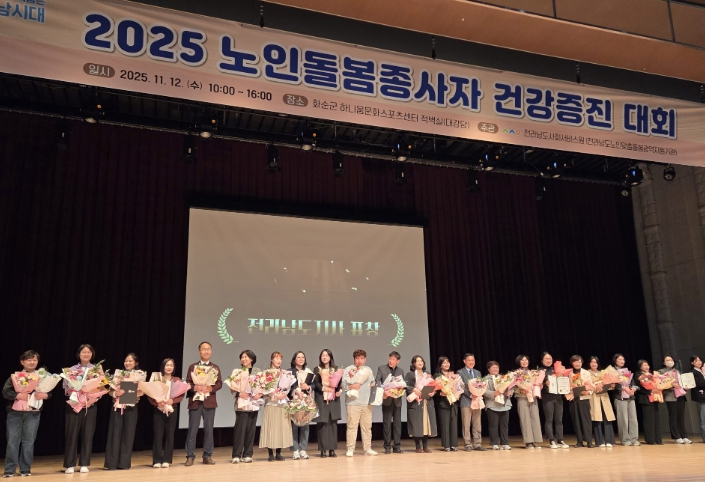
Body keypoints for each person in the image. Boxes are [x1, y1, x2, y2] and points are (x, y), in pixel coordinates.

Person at [3, 350, 50, 477]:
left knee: (29, 442)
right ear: (22, 362)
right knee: (12, 441)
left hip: (33, 413)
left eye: (34, 360)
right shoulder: (15, 376)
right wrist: (18, 395)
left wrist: (45, 395)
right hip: (15, 413)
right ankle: (9, 469)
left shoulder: (42, 377)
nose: (32, 362)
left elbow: (49, 392)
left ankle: (25, 469)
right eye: (29, 360)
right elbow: (5, 391)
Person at [63, 344, 102, 474]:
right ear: (79, 354)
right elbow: (66, 388)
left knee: (88, 435)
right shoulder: (71, 369)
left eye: (88, 352)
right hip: (74, 405)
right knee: (71, 435)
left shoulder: (96, 370)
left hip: (90, 405)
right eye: (84, 352)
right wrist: (72, 391)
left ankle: (84, 463)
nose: (86, 354)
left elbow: (102, 387)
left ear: (92, 354)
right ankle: (70, 464)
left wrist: (92, 399)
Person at [184, 341, 223, 466]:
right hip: (195, 402)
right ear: (199, 351)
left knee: (209, 430)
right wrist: (195, 388)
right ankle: (190, 456)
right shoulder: (192, 367)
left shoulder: (215, 367)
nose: (206, 351)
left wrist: (211, 388)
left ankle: (207, 456)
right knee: (192, 430)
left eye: (208, 349)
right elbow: (188, 382)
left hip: (209, 402)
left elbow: (219, 383)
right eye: (203, 349)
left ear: (211, 351)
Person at [104, 353, 143, 470]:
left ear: (136, 363)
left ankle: (124, 463)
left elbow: (143, 391)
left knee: (128, 434)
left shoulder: (140, 375)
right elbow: (110, 391)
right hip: (117, 406)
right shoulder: (118, 374)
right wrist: (116, 393)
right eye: (126, 361)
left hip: (131, 407)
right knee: (114, 433)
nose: (127, 363)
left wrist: (138, 392)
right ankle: (112, 463)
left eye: (130, 361)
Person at [148, 358, 187, 468]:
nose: (169, 367)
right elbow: (149, 393)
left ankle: (167, 460)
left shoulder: (176, 380)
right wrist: (157, 402)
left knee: (170, 434)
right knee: (158, 434)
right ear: (163, 366)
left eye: (171, 365)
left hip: (172, 409)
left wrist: (172, 401)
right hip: (159, 409)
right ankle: (156, 460)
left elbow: (181, 394)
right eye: (167, 365)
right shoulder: (157, 379)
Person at [259, 352, 294, 461]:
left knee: (280, 428)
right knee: (271, 427)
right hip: (271, 403)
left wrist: (283, 394)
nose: (278, 361)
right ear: (271, 360)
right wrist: (274, 395)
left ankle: (278, 453)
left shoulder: (285, 373)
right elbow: (264, 388)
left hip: (282, 403)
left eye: (280, 359)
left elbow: (288, 386)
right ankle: (270, 454)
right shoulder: (266, 373)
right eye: (276, 358)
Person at [342, 349, 377, 457]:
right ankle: (350, 449)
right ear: (354, 359)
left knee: (367, 427)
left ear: (365, 359)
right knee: (352, 426)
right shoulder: (349, 369)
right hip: (353, 402)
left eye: (362, 358)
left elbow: (372, 383)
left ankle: (368, 448)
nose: (359, 361)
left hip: (366, 403)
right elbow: (343, 385)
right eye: (357, 358)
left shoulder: (368, 370)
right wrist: (353, 386)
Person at [231, 350, 261, 464]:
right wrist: (239, 394)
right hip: (241, 403)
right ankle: (236, 455)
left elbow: (263, 385)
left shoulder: (258, 371)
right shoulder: (237, 372)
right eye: (242, 357)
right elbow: (232, 387)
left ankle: (248, 454)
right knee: (240, 430)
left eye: (246, 357)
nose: (244, 359)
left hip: (253, 404)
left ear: (252, 359)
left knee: (250, 430)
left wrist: (259, 394)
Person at [311, 349, 342, 458]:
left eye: (327, 355)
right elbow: (316, 384)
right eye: (323, 355)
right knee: (322, 424)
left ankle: (332, 450)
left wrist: (338, 390)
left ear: (330, 357)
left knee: (332, 424)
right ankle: (323, 450)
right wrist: (325, 388)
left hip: (333, 399)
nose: (324, 357)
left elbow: (339, 383)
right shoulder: (317, 369)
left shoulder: (336, 369)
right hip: (321, 398)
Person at [405, 355, 438, 453]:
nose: (420, 363)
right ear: (414, 363)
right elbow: (405, 385)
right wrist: (414, 389)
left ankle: (425, 446)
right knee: (416, 424)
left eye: (421, 361)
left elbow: (433, 386)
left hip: (426, 402)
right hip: (416, 402)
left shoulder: (427, 374)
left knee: (425, 424)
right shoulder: (410, 374)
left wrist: (433, 392)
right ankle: (418, 446)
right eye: (417, 361)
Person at [375, 351, 404, 454]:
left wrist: (401, 389)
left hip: (397, 400)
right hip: (387, 399)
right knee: (387, 424)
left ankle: (397, 446)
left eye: (393, 359)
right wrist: (384, 391)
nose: (391, 361)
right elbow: (377, 381)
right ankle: (387, 446)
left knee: (397, 424)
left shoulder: (400, 370)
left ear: (398, 361)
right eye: (390, 359)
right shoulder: (382, 368)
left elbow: (402, 384)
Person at [538, 352, 568, 449]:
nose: (548, 360)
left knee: (559, 419)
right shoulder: (540, 371)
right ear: (542, 360)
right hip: (547, 397)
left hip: (558, 396)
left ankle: (560, 440)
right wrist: (545, 383)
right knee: (549, 419)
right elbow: (537, 385)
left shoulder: (556, 369)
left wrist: (562, 376)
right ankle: (551, 440)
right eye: (546, 359)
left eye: (550, 358)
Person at [659, 355, 691, 444]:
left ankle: (684, 435)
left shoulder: (677, 371)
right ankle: (676, 436)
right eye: (667, 360)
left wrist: (685, 386)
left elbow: (682, 382)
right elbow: (661, 384)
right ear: (664, 362)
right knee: (673, 416)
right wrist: (672, 385)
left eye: (671, 360)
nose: (669, 361)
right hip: (671, 396)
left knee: (681, 417)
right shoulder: (661, 372)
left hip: (680, 395)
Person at [458, 353, 486, 451]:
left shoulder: (478, 372)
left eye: (472, 360)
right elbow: (461, 387)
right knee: (466, 424)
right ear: (464, 361)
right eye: (469, 360)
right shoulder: (460, 372)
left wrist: (478, 393)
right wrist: (471, 395)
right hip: (466, 401)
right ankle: (467, 444)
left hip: (477, 401)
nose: (471, 362)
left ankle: (477, 443)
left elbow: (481, 386)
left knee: (477, 423)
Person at [514, 355, 542, 449]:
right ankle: (528, 441)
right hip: (522, 397)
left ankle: (535, 440)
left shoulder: (533, 373)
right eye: (522, 360)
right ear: (519, 362)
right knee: (525, 419)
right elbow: (512, 387)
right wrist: (521, 390)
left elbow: (536, 384)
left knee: (535, 418)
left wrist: (539, 386)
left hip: (532, 397)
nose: (524, 361)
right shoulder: (516, 373)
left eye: (526, 360)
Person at [483, 361, 512, 450]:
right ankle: (494, 443)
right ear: (489, 369)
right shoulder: (485, 379)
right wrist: (494, 393)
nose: (495, 369)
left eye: (497, 367)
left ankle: (505, 443)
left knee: (504, 425)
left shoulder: (504, 378)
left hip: (505, 404)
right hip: (492, 405)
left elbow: (511, 387)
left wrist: (510, 392)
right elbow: (484, 391)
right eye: (493, 367)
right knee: (493, 425)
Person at [289, 351, 313, 460]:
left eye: (303, 357)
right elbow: (287, 387)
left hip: (306, 401)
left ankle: (303, 449)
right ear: (294, 359)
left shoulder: (309, 372)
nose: (301, 359)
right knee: (294, 426)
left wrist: (308, 387)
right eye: (298, 357)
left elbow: (314, 385)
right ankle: (295, 450)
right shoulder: (289, 372)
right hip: (294, 400)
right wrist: (296, 390)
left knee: (305, 426)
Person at [587, 356, 616, 448]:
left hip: (604, 397)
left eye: (595, 362)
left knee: (607, 418)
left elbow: (608, 386)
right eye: (592, 362)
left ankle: (609, 440)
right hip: (594, 397)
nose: (594, 364)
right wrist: (595, 387)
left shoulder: (602, 373)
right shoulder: (587, 373)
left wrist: (611, 385)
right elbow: (586, 385)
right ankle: (599, 441)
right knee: (597, 419)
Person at [612, 353, 639, 446]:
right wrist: (623, 388)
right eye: (619, 359)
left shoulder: (626, 371)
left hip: (630, 397)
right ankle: (625, 439)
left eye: (623, 359)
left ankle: (634, 439)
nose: (622, 361)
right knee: (623, 419)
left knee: (633, 419)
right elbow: (612, 385)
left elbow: (632, 381)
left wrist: (634, 388)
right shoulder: (612, 371)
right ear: (615, 360)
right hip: (620, 398)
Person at [566, 355, 594, 448]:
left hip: (584, 398)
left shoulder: (586, 373)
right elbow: (565, 385)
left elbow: (591, 385)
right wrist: (569, 390)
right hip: (573, 398)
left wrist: (588, 391)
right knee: (576, 420)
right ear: (572, 363)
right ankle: (579, 440)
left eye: (579, 362)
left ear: (582, 363)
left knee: (586, 420)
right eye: (575, 362)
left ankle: (589, 441)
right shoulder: (569, 373)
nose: (577, 363)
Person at [434, 357, 458, 451]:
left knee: (453, 424)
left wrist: (458, 393)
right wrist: (441, 393)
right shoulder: (437, 376)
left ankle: (454, 445)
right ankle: (446, 445)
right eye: (444, 363)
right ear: (440, 365)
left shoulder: (453, 375)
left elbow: (459, 386)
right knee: (445, 424)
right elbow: (434, 390)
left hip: (453, 402)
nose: (446, 364)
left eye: (448, 362)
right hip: (443, 402)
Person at [635, 360, 662, 445]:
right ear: (640, 366)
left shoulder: (652, 375)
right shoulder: (638, 375)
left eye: (647, 365)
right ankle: (650, 439)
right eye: (644, 365)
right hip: (645, 399)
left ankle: (658, 439)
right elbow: (639, 388)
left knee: (656, 419)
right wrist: (650, 392)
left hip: (654, 398)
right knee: (648, 419)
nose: (647, 367)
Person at [690, 356, 705, 443]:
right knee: (703, 418)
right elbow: (699, 383)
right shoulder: (693, 372)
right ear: (692, 363)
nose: (699, 362)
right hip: (701, 397)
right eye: (696, 361)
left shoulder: (701, 370)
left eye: (700, 360)